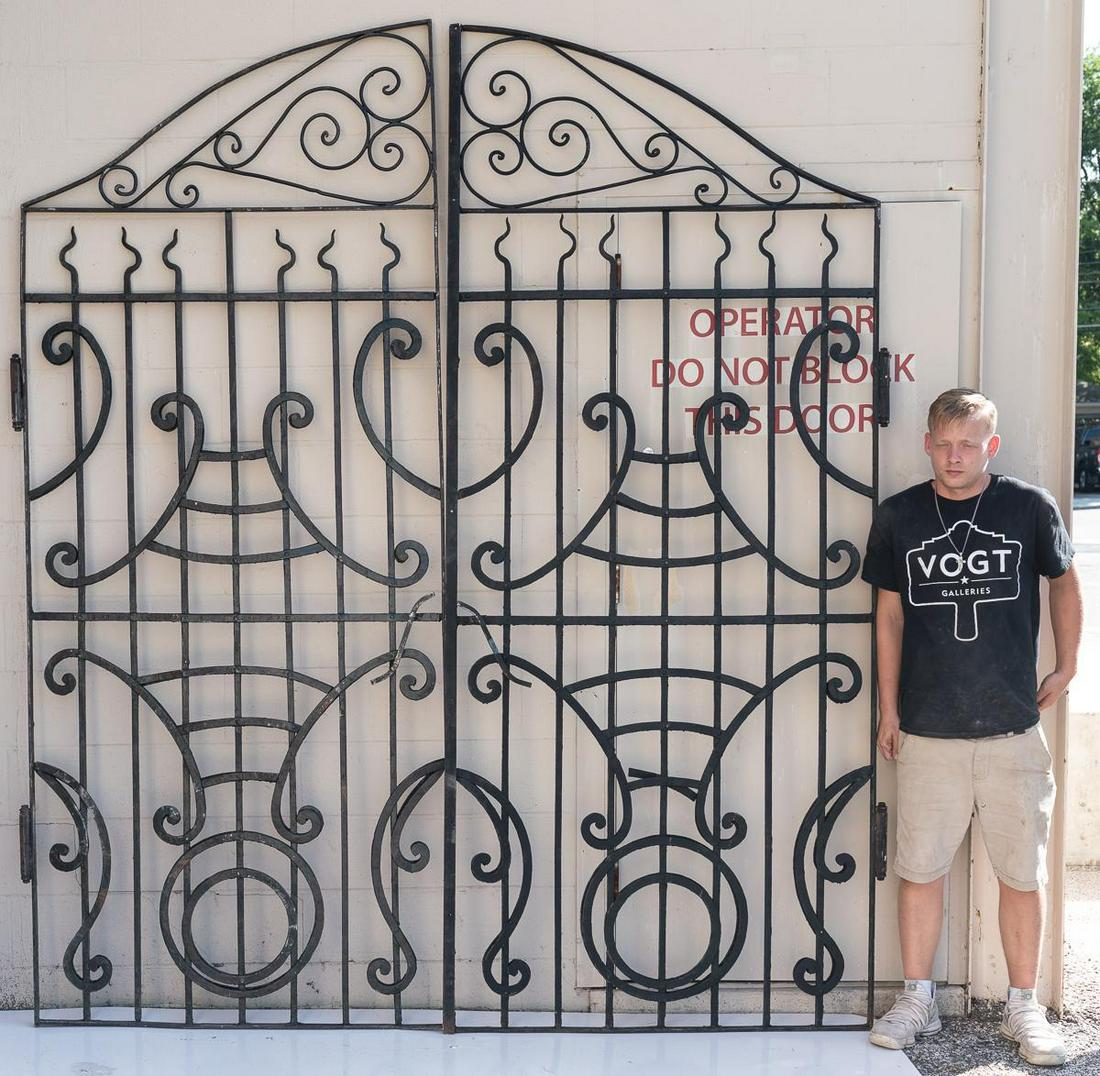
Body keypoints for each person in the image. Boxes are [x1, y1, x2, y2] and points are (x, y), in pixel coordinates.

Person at [860, 387, 1083, 1067]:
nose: (955, 457)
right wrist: (888, 707)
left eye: (969, 444)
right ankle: (917, 1000)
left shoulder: (1026, 507)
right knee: (919, 869)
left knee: (1022, 872)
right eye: (943, 442)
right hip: (927, 729)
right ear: (927, 442)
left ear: (991, 446)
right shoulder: (899, 517)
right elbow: (889, 615)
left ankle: (1025, 1007)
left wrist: (1068, 666)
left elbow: (1065, 583)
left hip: (1013, 726)